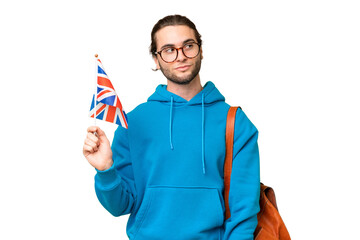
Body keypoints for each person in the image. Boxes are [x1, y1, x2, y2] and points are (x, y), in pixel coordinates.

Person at [83, 14, 260, 240]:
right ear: (156, 60)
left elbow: (244, 210)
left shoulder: (235, 122)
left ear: (201, 50)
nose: (180, 56)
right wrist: (105, 170)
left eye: (188, 46)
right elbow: (120, 206)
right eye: (168, 49)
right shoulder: (133, 122)